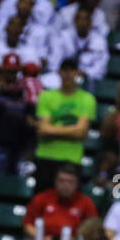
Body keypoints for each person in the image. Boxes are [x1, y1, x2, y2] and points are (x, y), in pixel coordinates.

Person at [33, 58, 95, 192]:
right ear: (58, 72)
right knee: (41, 200)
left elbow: (81, 132)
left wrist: (52, 129)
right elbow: (42, 130)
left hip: (71, 158)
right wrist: (72, 130)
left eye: (71, 70)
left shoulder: (87, 99)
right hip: (45, 156)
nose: (68, 74)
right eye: (64, 70)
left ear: (78, 73)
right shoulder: (46, 96)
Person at [22, 163, 97, 240]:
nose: (65, 185)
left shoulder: (86, 203)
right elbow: (28, 224)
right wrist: (42, 239)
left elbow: (93, 230)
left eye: (70, 181)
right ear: (55, 181)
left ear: (77, 183)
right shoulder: (42, 198)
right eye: (61, 180)